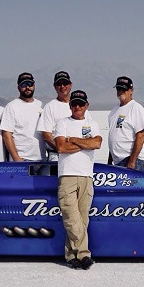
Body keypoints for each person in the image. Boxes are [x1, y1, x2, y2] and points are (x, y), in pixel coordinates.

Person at [53, 90, 102, 270]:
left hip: (86, 176)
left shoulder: (92, 123)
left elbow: (96, 143)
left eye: (81, 104)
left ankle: (72, 256)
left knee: (82, 219)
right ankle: (84, 253)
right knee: (71, 217)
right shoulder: (62, 123)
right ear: (70, 105)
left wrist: (73, 140)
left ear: (86, 105)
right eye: (74, 104)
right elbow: (60, 146)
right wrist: (83, 143)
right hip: (67, 175)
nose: (78, 107)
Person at [1, 72, 46, 162]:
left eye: (30, 84)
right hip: (23, 159)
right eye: (24, 85)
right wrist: (16, 158)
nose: (27, 87)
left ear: (34, 85)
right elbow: (7, 134)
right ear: (18, 88)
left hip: (41, 159)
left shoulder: (39, 105)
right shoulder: (12, 106)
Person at [107, 76, 144, 170]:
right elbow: (113, 135)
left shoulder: (136, 108)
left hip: (131, 160)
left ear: (131, 90)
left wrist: (132, 161)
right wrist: (110, 159)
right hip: (117, 161)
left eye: (124, 89)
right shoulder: (114, 110)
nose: (121, 91)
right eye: (118, 89)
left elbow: (140, 135)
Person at [37, 71, 74, 161]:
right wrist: (61, 149)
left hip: (76, 153)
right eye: (59, 84)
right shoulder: (50, 106)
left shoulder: (78, 105)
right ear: (55, 87)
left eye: (65, 83)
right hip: (56, 155)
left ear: (70, 85)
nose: (62, 87)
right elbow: (46, 135)